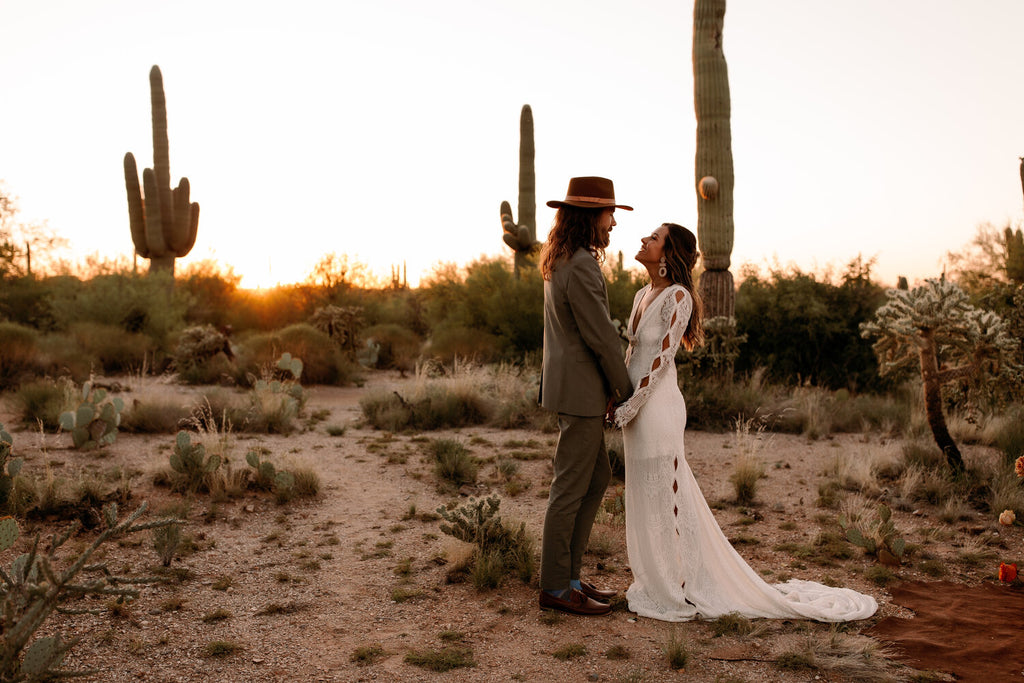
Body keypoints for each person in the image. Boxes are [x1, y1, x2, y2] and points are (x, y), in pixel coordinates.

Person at [612, 222, 877, 622]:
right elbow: (632, 353)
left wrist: (632, 406)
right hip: (633, 404)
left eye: (654, 238)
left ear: (668, 254)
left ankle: (679, 587)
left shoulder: (678, 297)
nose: (644, 240)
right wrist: (616, 397)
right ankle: (655, 581)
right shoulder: (640, 294)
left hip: (658, 407)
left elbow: (661, 359)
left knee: (666, 494)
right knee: (644, 494)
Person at [537, 176, 635, 616]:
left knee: (593, 480)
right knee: (570, 488)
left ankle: (571, 576)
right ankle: (557, 587)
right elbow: (601, 339)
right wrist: (628, 391)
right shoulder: (580, 264)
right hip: (581, 393)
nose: (614, 222)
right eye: (609, 213)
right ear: (589, 215)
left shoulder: (565, 259)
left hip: (575, 390)